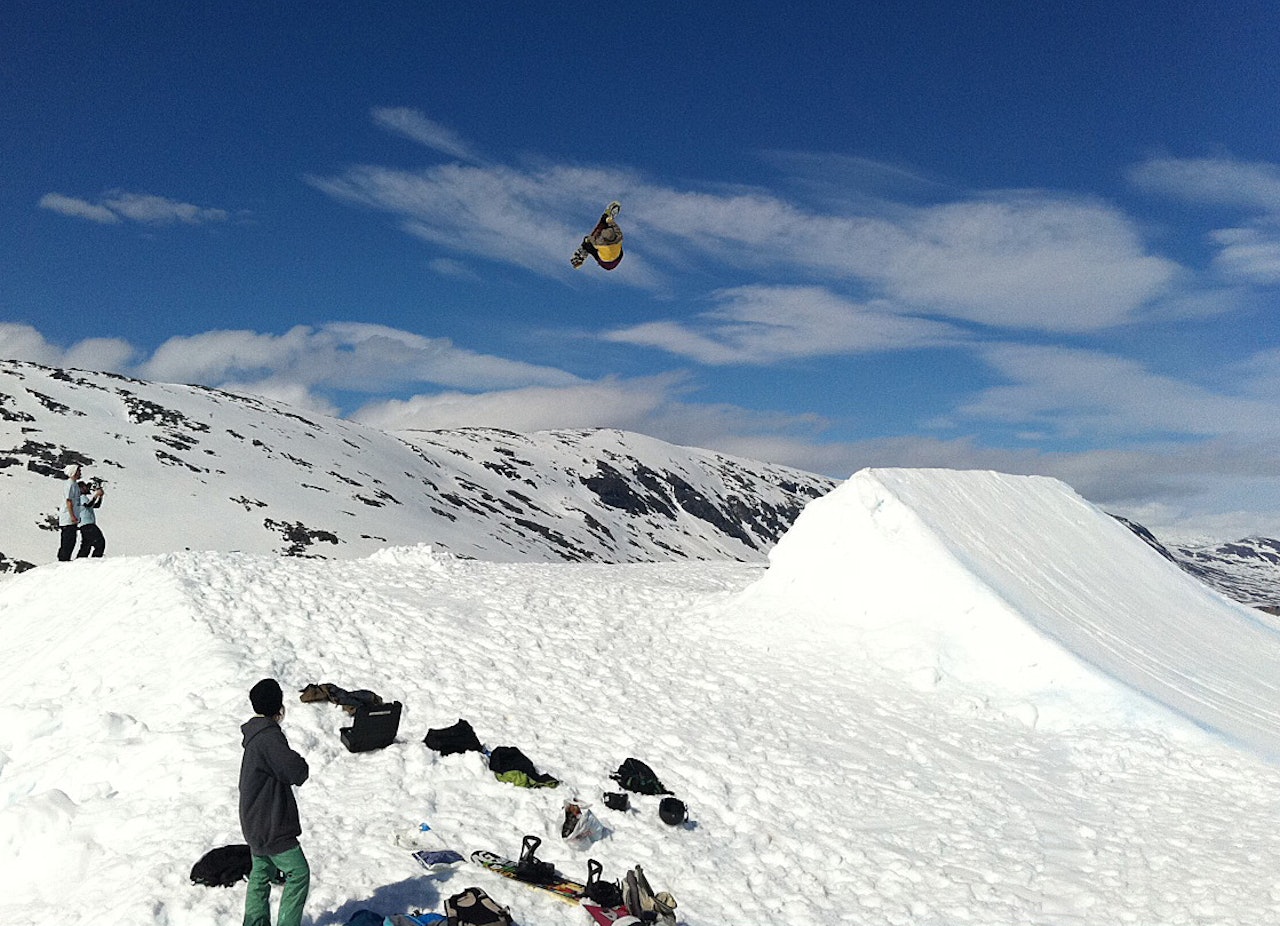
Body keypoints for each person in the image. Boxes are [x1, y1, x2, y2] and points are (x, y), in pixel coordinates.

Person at [239, 679, 310, 926]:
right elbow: (295, 771)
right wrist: (300, 762)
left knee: (261, 872)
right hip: (271, 824)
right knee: (299, 873)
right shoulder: (269, 737)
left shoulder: (255, 736)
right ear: (279, 707)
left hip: (253, 821)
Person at [571, 201, 624, 270]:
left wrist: (585, 242)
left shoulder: (600, 241)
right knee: (596, 243)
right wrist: (609, 220)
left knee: (592, 240)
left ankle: (581, 255)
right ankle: (583, 253)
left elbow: (591, 239)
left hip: (609, 261)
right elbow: (615, 227)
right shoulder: (618, 236)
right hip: (612, 261)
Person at [57, 464, 82, 562]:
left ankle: (66, 559)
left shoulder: (75, 484)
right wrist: (72, 516)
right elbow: (69, 501)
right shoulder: (70, 484)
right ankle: (63, 560)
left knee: (72, 540)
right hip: (68, 517)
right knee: (67, 541)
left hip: (73, 517)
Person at [76, 480, 106, 558]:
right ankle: (96, 558)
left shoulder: (81, 498)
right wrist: (97, 495)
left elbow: (96, 505)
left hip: (84, 525)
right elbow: (89, 505)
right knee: (100, 542)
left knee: (86, 545)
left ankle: (80, 560)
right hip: (88, 524)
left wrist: (100, 497)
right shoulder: (81, 497)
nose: (86, 488)